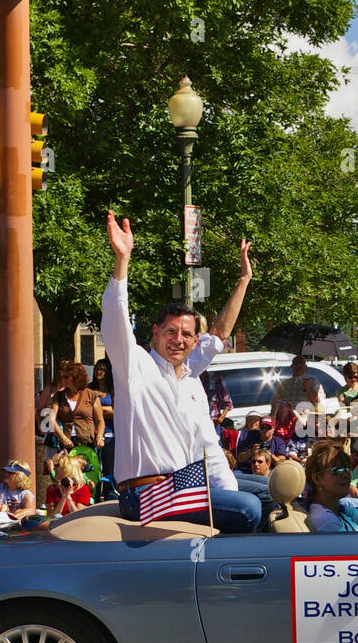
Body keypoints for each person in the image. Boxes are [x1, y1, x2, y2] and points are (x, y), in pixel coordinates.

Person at [101, 212, 263, 532]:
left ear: (193, 342)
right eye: (170, 331)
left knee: (266, 491)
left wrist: (244, 280)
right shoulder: (134, 364)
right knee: (248, 507)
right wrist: (122, 261)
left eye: (186, 335)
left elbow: (217, 334)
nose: (178, 340)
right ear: (155, 332)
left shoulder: (189, 378)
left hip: (184, 485)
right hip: (146, 494)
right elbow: (115, 319)